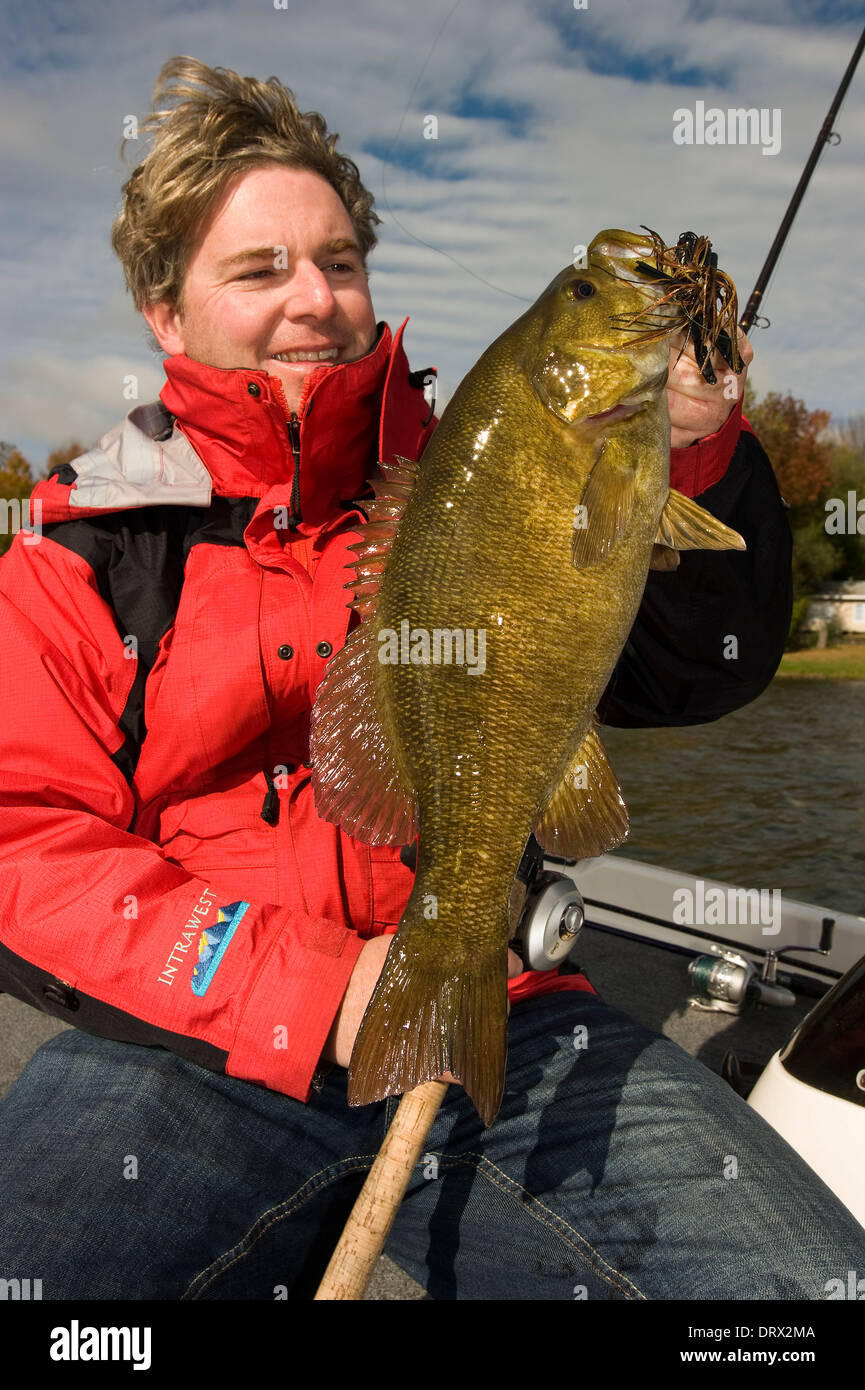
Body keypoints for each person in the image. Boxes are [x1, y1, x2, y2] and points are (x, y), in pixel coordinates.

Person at [0, 56, 861, 1302]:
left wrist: (695, 449)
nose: (315, 300)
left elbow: (696, 674)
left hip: (500, 994)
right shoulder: (79, 548)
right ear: (164, 313)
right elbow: (23, 839)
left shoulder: (477, 456)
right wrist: (310, 984)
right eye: (259, 269)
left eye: (339, 261)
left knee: (800, 1297)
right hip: (183, 1040)